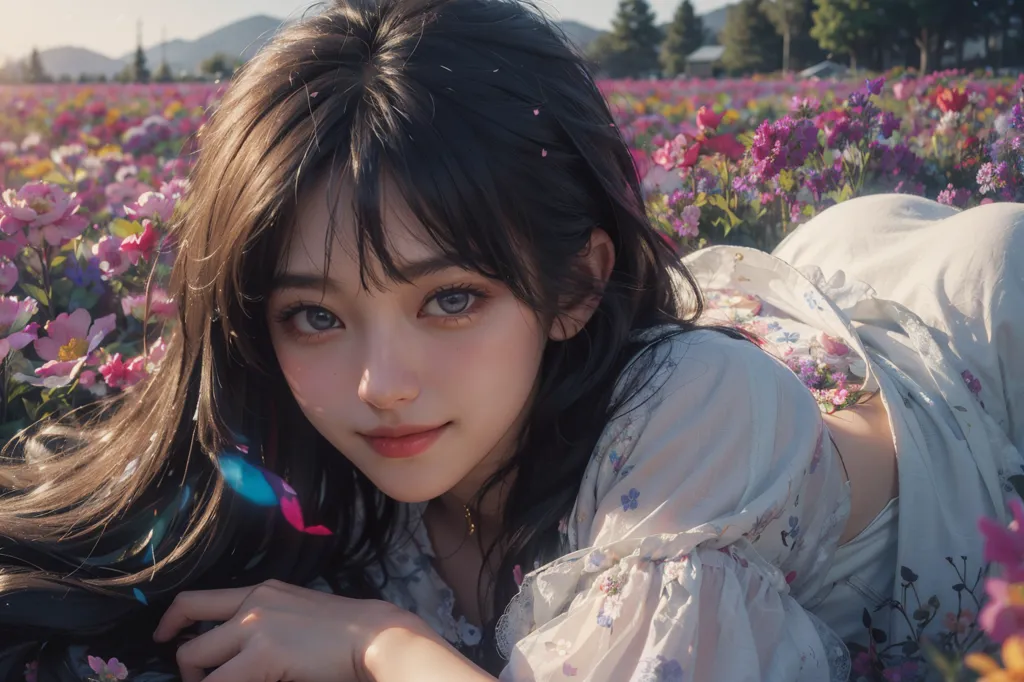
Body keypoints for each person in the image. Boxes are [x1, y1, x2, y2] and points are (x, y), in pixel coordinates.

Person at [0, 1, 1020, 681]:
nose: (379, 385)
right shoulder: (302, 434)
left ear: (576, 282)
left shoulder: (700, 405)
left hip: (953, 355)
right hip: (764, 320)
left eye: (449, 299)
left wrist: (386, 645)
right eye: (315, 312)